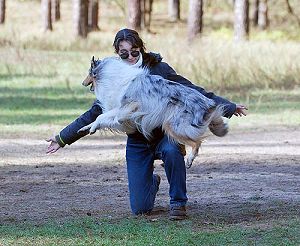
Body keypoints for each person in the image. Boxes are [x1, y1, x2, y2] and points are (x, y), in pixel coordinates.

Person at [46, 28, 247, 220]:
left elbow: (191, 90)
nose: (131, 57)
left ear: (141, 49)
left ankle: (178, 203)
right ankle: (152, 182)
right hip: (138, 141)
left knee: (172, 151)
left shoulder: (159, 68)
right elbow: (94, 113)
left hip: (164, 134)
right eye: (124, 54)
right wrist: (62, 138)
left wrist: (228, 107)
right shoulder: (114, 77)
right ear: (117, 53)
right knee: (140, 208)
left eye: (135, 52)